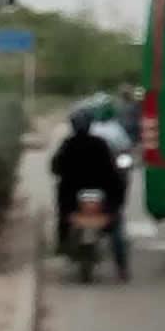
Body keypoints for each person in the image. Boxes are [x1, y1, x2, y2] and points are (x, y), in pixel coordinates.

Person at [50, 109, 129, 281]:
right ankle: (121, 267)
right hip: (102, 196)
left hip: (73, 198)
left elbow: (55, 167)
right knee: (116, 226)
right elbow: (113, 172)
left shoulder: (68, 144)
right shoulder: (100, 144)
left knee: (63, 218)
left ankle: (62, 244)